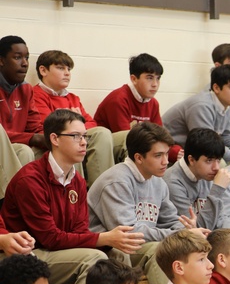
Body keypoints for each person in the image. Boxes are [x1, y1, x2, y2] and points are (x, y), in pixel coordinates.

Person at [3, 110, 145, 284]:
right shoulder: (30, 180)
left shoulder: (76, 180)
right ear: (55, 139)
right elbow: (50, 239)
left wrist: (107, 241)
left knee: (119, 255)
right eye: (75, 136)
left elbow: (79, 230)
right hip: (29, 254)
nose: (84, 142)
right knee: (93, 259)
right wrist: (103, 238)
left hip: (55, 249)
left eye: (85, 136)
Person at [88, 121, 200, 284]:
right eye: (158, 156)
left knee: (194, 245)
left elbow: (171, 220)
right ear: (139, 157)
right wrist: (180, 234)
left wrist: (185, 229)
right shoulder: (117, 181)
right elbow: (129, 233)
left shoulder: (158, 182)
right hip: (113, 249)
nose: (165, 161)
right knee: (158, 250)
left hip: (139, 245)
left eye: (166, 154)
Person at [26, 49, 114, 184]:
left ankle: (104, 189)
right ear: (43, 71)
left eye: (69, 69)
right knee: (71, 136)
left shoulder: (72, 97)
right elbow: (49, 127)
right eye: (60, 68)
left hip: (73, 137)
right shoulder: (36, 94)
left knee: (102, 132)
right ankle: (76, 191)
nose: (67, 73)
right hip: (52, 143)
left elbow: (92, 124)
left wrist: (75, 123)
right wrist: (77, 121)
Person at [93, 53, 174, 164]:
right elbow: (126, 141)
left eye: (158, 78)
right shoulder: (119, 99)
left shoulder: (153, 103)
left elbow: (160, 136)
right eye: (149, 78)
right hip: (111, 154)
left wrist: (176, 153)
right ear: (134, 79)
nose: (155, 84)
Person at [162, 64, 230, 163]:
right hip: (171, 150)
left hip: (195, 150)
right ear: (216, 88)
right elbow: (206, 143)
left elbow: (227, 138)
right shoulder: (201, 106)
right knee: (221, 164)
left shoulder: (226, 107)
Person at [163, 128, 230, 231]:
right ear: (191, 160)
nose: (216, 167)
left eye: (218, 160)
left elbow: (223, 219)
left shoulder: (211, 175)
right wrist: (217, 190)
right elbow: (197, 229)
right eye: (209, 160)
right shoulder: (172, 182)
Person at [0, 36, 39, 197]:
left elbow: (35, 126)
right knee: (24, 151)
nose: (25, 63)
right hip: (7, 148)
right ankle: (16, 206)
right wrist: (31, 138)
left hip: (20, 145)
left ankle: (73, 204)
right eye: (17, 57)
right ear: (1, 61)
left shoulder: (26, 89)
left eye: (27, 58)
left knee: (64, 144)